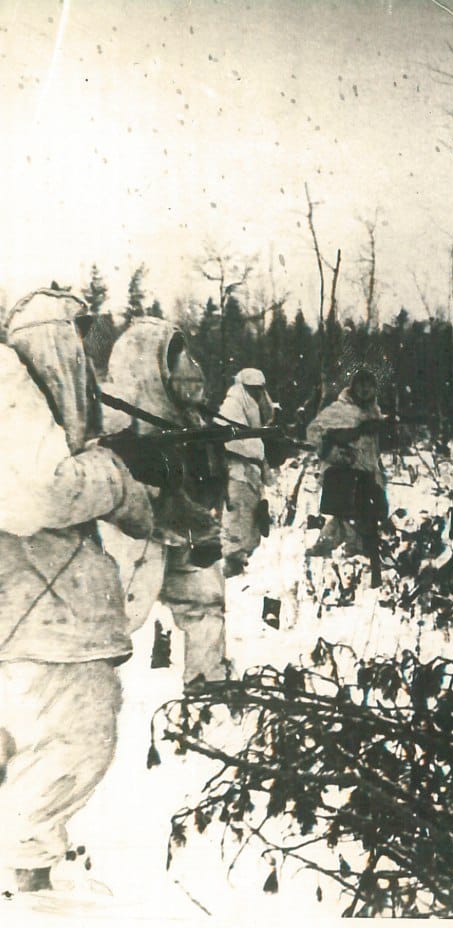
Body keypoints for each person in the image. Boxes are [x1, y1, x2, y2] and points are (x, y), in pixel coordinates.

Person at [0, 290, 154, 894]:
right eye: (76, 339)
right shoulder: (9, 385)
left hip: (31, 620)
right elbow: (39, 493)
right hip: (39, 628)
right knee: (71, 744)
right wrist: (115, 481)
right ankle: (23, 890)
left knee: (30, 747)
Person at [99, 317, 227, 689]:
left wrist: (200, 521)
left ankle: (208, 682)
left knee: (205, 599)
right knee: (110, 623)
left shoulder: (186, 417)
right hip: (129, 537)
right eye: (172, 358)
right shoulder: (111, 417)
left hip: (179, 527)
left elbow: (203, 479)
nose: (180, 367)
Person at [305, 369, 386, 567]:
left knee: (353, 516)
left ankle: (325, 547)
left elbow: (373, 449)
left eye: (369, 385)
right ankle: (353, 556)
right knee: (352, 516)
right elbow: (313, 432)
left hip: (367, 473)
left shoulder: (374, 412)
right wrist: (337, 454)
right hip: (343, 473)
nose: (365, 390)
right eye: (361, 385)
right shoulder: (340, 409)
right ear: (353, 387)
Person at [218, 368, 275, 577]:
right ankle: (232, 559)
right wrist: (253, 449)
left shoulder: (255, 404)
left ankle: (242, 556)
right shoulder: (232, 404)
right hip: (237, 470)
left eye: (259, 390)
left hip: (251, 470)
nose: (256, 394)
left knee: (252, 514)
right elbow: (230, 439)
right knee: (237, 513)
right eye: (252, 389)